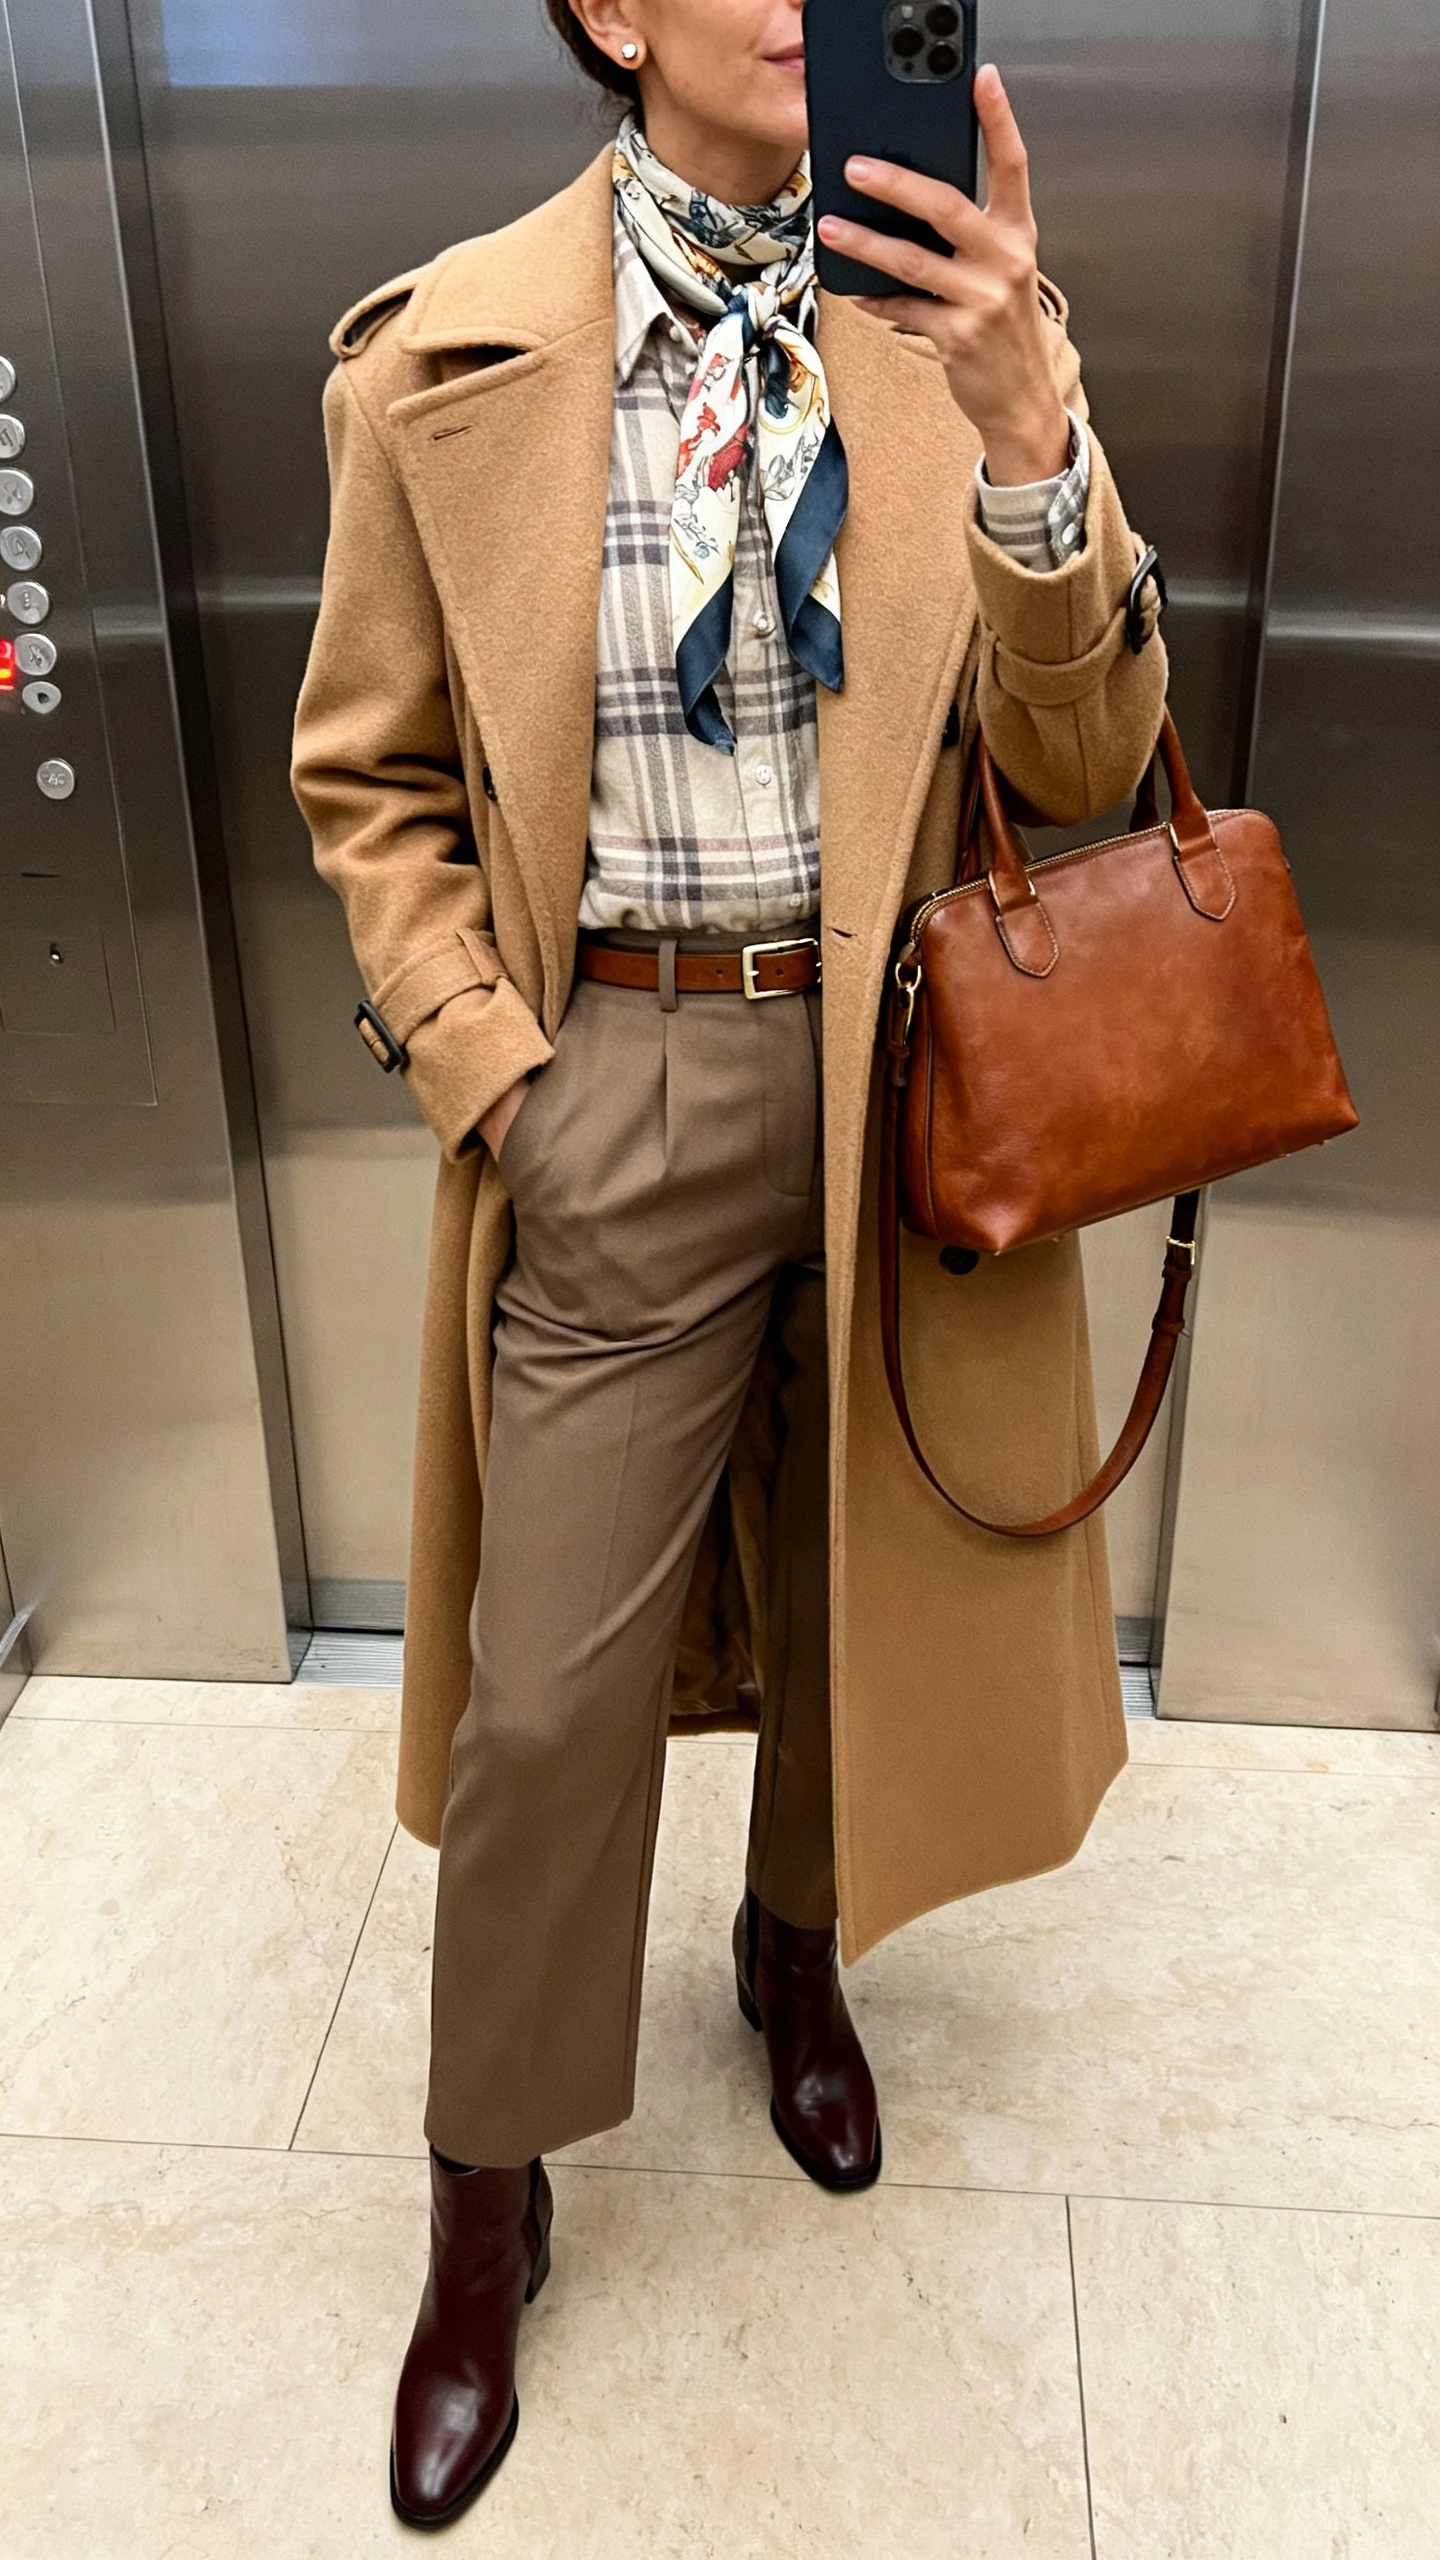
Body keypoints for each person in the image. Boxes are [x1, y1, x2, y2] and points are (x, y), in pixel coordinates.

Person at [292, 0, 1167, 2528]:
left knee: (854, 1595)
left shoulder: (964, 311)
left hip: (920, 1072)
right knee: (544, 1700)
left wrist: (1029, 444)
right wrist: (497, 1071)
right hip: (625, 1087)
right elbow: (364, 773)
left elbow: (1098, 772)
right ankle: (489, 2183)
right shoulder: (442, 355)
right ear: (603, 12)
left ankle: (799, 1944)